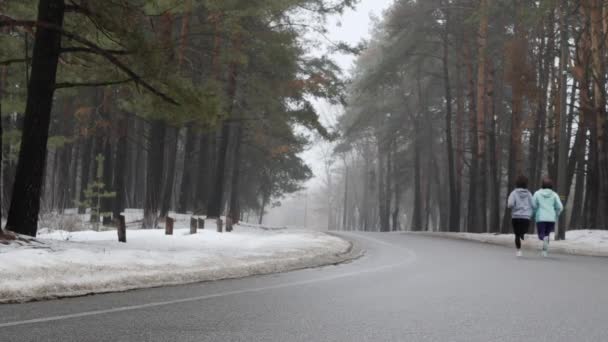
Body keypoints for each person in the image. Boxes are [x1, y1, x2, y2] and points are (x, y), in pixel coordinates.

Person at [532, 177, 564, 257]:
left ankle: (543, 239)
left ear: (542, 185)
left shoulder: (537, 193)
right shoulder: (554, 194)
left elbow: (533, 205)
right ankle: (544, 251)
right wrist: (556, 214)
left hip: (541, 218)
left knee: (541, 235)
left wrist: (535, 212)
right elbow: (560, 207)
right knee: (547, 234)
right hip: (551, 218)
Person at [507, 175, 534, 257]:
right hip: (526, 217)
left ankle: (518, 250)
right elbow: (533, 204)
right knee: (523, 231)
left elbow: (510, 204)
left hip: (516, 216)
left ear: (516, 184)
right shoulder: (529, 194)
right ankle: (524, 234)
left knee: (517, 234)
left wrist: (512, 207)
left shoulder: (514, 193)